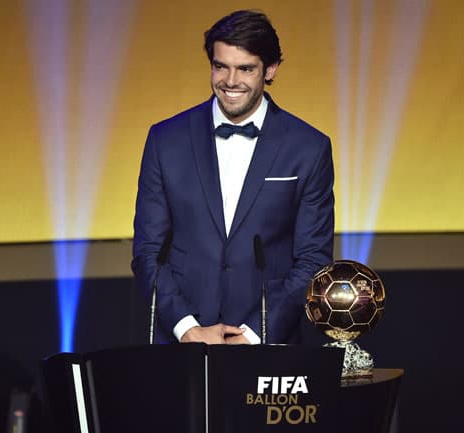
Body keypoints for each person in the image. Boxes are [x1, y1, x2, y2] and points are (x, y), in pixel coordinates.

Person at [132, 10, 334, 345]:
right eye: (220, 66)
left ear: (270, 69)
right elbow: (148, 251)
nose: (230, 80)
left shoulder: (308, 147)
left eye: (245, 69)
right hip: (181, 342)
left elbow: (312, 258)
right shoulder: (166, 139)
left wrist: (254, 334)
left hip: (268, 345)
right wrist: (186, 328)